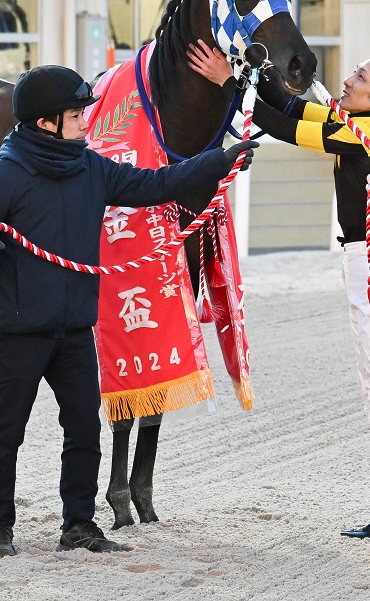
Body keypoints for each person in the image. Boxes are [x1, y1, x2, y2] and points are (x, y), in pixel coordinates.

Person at [0, 65, 258, 558]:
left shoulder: (91, 167)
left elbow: (154, 185)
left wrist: (217, 161)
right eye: (76, 116)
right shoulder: (6, 172)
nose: (85, 124)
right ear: (44, 122)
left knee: (83, 430)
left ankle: (78, 525)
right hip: (17, 331)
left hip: (74, 327)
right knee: (4, 432)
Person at [187, 39, 370, 539]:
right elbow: (293, 105)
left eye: (361, 76)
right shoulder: (359, 123)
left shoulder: (366, 131)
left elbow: (285, 126)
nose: (350, 78)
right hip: (368, 257)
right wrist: (254, 70)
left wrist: (229, 83)